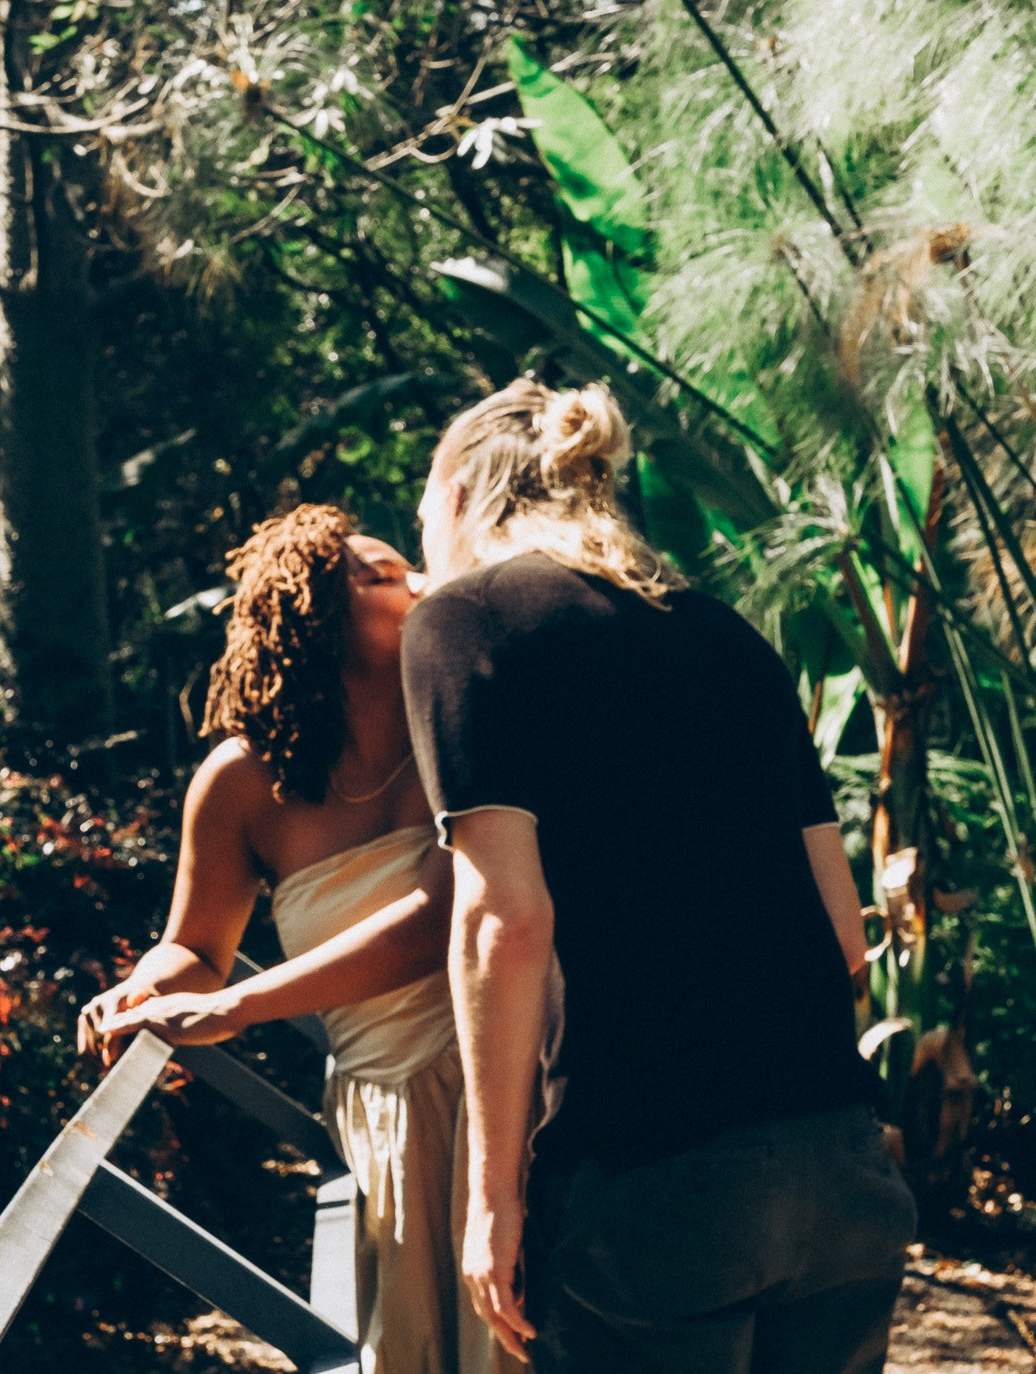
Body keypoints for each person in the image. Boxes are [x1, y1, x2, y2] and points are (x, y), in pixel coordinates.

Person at [401, 379, 916, 1374]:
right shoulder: (726, 638)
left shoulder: (463, 626)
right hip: (839, 1172)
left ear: (461, 497)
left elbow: (501, 924)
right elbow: (843, 935)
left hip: (647, 1184)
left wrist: (490, 1196)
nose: (420, 539)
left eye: (421, 513)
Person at [81, 504, 521, 1374]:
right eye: (390, 574)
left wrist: (238, 1006)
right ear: (315, 614)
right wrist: (143, 985)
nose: (430, 585)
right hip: (382, 1125)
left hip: (507, 1088)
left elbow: (445, 920)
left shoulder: (468, 719)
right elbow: (198, 948)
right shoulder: (241, 784)